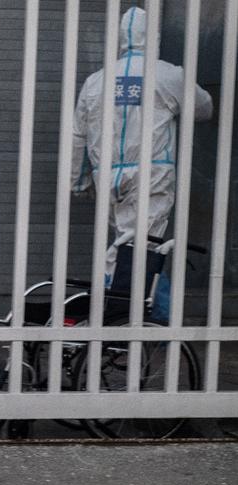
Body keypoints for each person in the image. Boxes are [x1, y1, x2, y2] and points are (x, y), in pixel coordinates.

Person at [71, 7, 213, 321]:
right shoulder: (167, 74)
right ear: (156, 36)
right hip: (152, 173)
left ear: (121, 37)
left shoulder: (97, 81)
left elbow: (78, 136)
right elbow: (204, 108)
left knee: (133, 241)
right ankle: (117, 313)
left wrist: (80, 183)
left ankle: (154, 315)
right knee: (138, 247)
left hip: (108, 175)